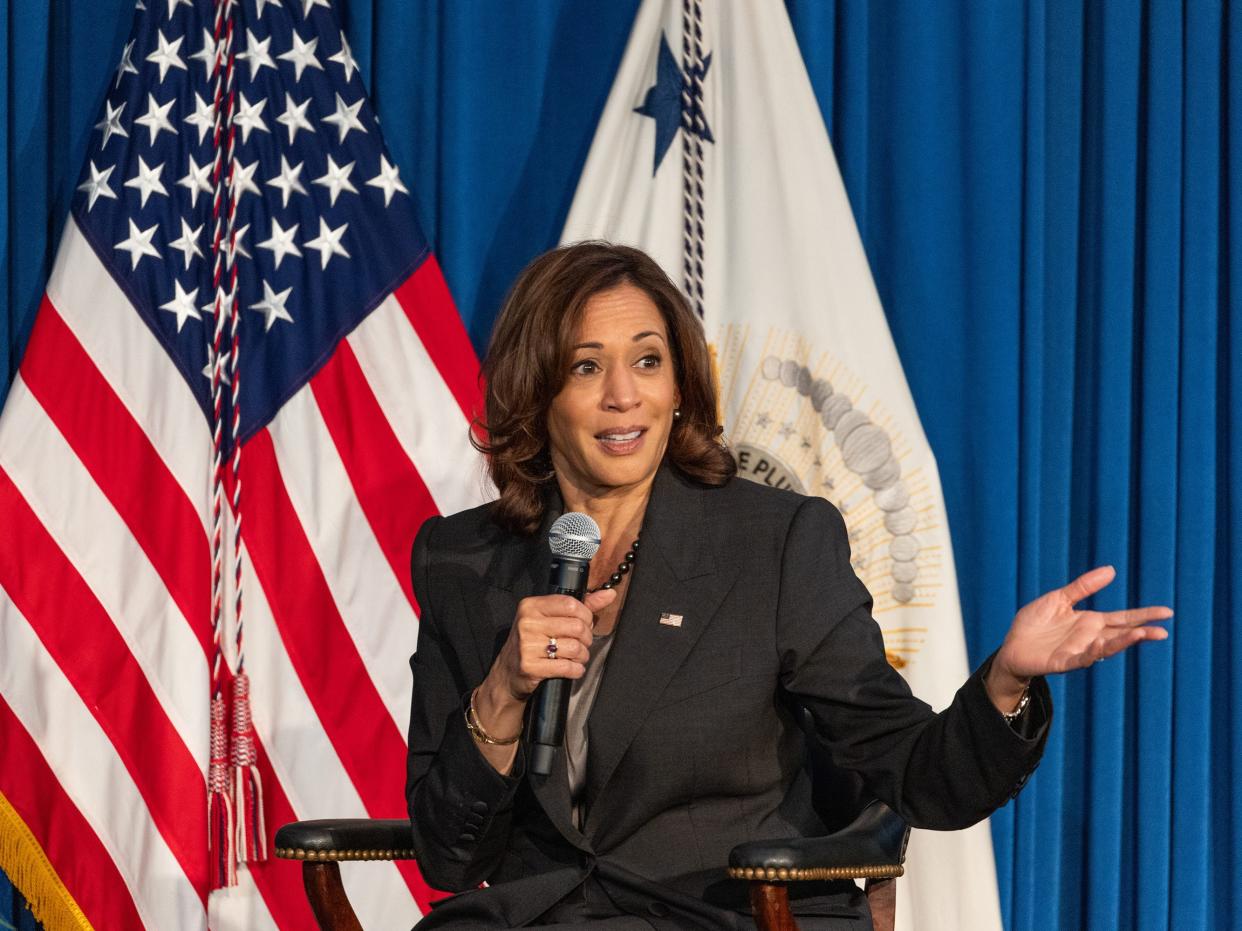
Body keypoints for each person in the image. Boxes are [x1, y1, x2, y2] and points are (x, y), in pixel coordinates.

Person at [405, 242, 1171, 930]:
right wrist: (503, 690)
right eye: (584, 366)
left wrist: (1006, 681)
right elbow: (446, 854)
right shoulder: (460, 562)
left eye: (647, 360)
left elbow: (911, 769)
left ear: (679, 386)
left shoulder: (772, 541)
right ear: (535, 394)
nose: (622, 395)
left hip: (712, 913)